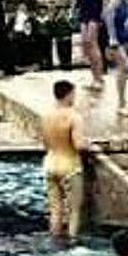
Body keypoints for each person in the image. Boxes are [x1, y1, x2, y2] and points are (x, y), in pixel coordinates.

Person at [41, 80, 90, 240]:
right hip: (69, 165)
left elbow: (46, 143)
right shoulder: (74, 117)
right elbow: (79, 144)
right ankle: (72, 241)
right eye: (74, 94)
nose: (75, 97)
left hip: (50, 163)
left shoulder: (46, 116)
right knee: (74, 210)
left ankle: (54, 238)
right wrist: (88, 144)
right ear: (68, 95)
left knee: (56, 209)